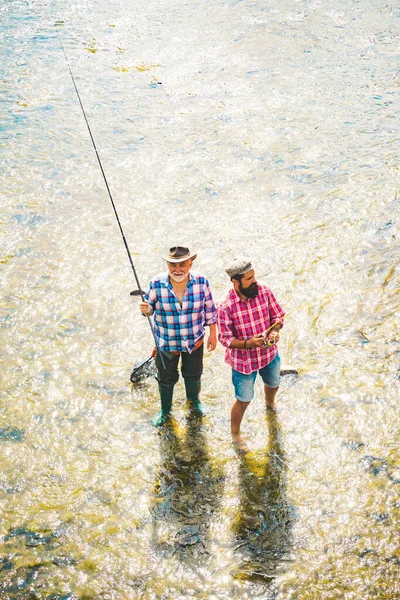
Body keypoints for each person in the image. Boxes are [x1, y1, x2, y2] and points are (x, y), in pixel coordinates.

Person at [140, 246, 217, 426]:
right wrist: (145, 309)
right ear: (167, 265)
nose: (178, 270)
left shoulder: (202, 281)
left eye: (182, 265)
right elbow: (148, 309)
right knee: (166, 379)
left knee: (193, 375)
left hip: (194, 341)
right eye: (173, 266)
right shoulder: (156, 283)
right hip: (166, 343)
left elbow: (211, 309)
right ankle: (165, 410)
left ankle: (195, 403)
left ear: (190, 263)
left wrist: (213, 334)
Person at [217, 258, 285, 447]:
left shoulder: (263, 290)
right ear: (235, 282)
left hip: (269, 355)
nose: (254, 281)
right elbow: (225, 339)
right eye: (249, 279)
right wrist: (248, 344)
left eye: (254, 276)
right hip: (243, 364)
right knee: (244, 400)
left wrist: (274, 331)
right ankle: (235, 434)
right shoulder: (225, 307)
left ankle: (270, 405)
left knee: (273, 384)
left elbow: (278, 316)